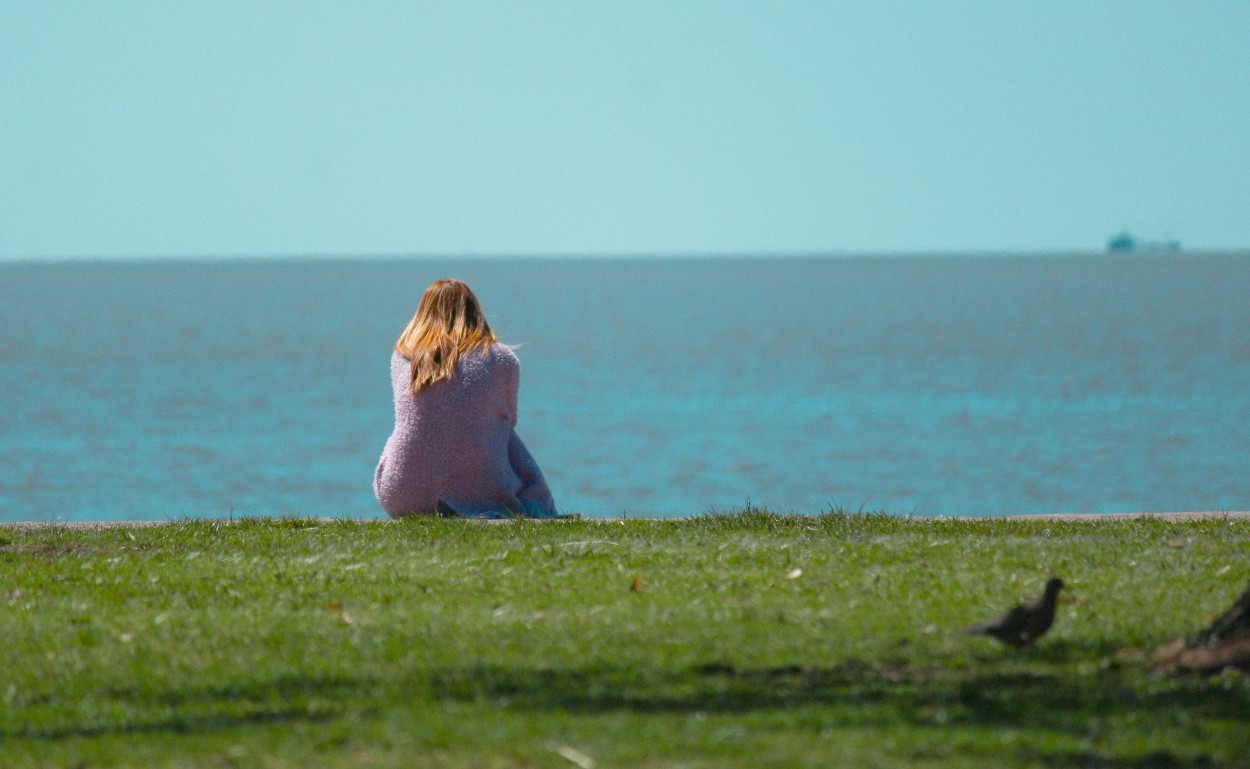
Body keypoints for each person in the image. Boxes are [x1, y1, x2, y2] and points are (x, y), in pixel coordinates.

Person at [373, 279, 558, 518]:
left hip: (402, 494)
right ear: (474, 312)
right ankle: (539, 508)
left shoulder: (403, 356)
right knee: (501, 431)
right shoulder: (500, 358)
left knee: (406, 431)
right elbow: (509, 418)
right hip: (480, 492)